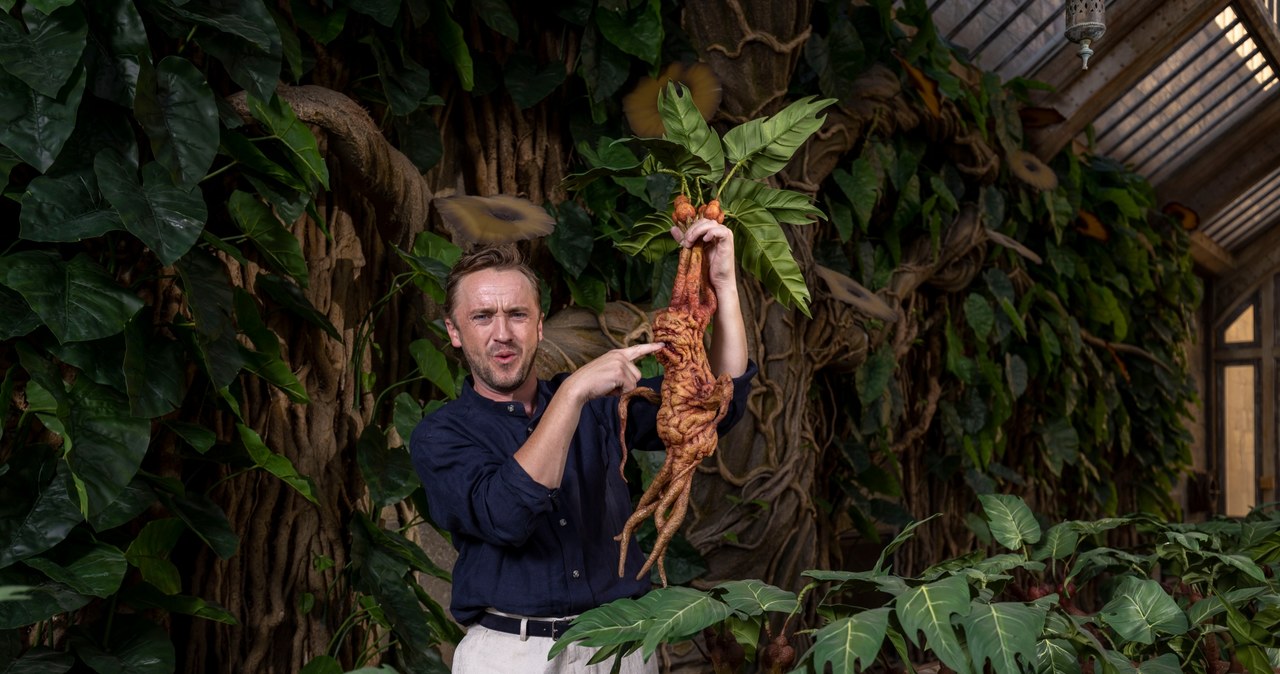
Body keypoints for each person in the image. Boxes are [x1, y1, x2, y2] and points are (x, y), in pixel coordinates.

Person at [410, 216, 757, 673]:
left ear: (538, 326)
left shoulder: (602, 407)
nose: (502, 333)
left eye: (517, 315)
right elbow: (508, 515)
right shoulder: (441, 435)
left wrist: (724, 283)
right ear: (454, 332)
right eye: (481, 317)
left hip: (619, 649)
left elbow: (714, 404)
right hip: (513, 655)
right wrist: (573, 392)